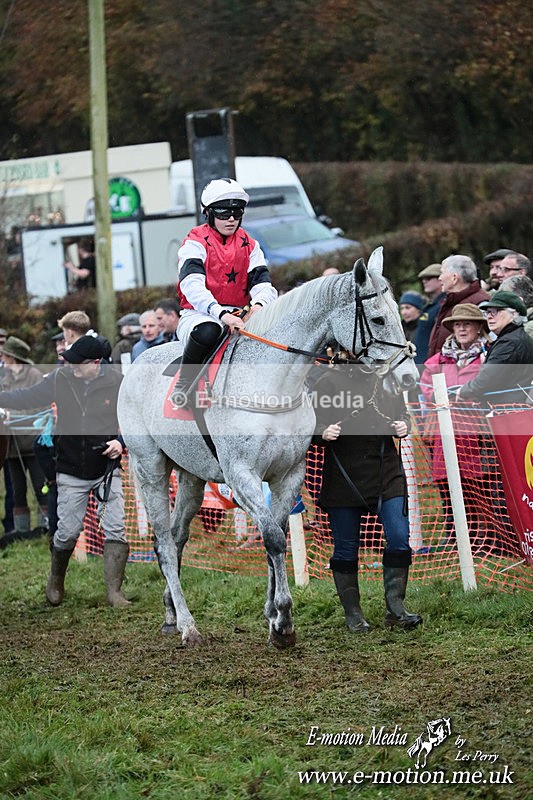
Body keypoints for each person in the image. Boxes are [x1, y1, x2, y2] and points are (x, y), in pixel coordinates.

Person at [0, 336, 130, 608]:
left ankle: (114, 592)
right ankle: (56, 579)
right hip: (70, 469)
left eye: (77, 363)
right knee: (67, 532)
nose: (71, 367)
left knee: (116, 529)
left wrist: (121, 443)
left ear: (96, 363)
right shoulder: (60, 379)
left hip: (106, 470)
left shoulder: (118, 383)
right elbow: (27, 397)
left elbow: (132, 420)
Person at [313, 360, 422, 633]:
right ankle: (353, 614)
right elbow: (310, 425)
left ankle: (396, 609)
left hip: (387, 472)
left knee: (399, 537)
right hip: (343, 476)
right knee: (346, 548)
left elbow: (403, 413)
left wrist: (404, 424)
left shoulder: (386, 379)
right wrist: (322, 432)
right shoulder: (328, 382)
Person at [171, 178, 277, 406]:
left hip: (240, 315)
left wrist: (258, 306)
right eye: (223, 212)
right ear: (208, 213)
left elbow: (264, 286)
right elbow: (192, 286)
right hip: (200, 314)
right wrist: (221, 314)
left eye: (237, 212)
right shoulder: (194, 242)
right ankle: (184, 387)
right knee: (209, 331)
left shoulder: (251, 244)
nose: (231, 219)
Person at [420, 304, 491, 543]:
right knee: (446, 483)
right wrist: (442, 397)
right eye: (457, 324)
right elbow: (426, 385)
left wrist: (465, 397)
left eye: (467, 324)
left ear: (479, 327)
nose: (461, 328)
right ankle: (452, 534)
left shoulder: (488, 356)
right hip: (445, 432)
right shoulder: (439, 359)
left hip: (477, 432)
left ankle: (481, 534)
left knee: (478, 485)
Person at [0, 336, 48, 538]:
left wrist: (13, 415)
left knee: (40, 486)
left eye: (4, 355)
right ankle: (21, 531)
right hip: (11, 446)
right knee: (17, 490)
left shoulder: (34, 375)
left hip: (33, 442)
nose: (2, 358)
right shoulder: (3, 377)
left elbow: (39, 406)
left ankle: (46, 526)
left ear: (12, 357)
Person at [458, 291, 533, 405]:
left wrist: (463, 391)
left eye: (496, 311)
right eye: (488, 312)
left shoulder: (510, 342)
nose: (489, 316)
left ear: (514, 314)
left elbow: (487, 380)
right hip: (510, 408)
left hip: (509, 411)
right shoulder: (514, 338)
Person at [427, 255, 490, 358]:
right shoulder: (450, 302)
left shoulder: (481, 303)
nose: (440, 278)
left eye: (442, 273)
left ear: (454, 278)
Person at [414, 263, 445, 365]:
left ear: (441, 279)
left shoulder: (443, 305)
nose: (424, 281)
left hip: (432, 362)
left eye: (429, 278)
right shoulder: (431, 306)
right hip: (421, 361)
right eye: (423, 279)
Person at [499, 275, 533, 339]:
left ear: (519, 300)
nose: (500, 305)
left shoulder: (528, 328)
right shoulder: (520, 321)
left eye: (505, 299)